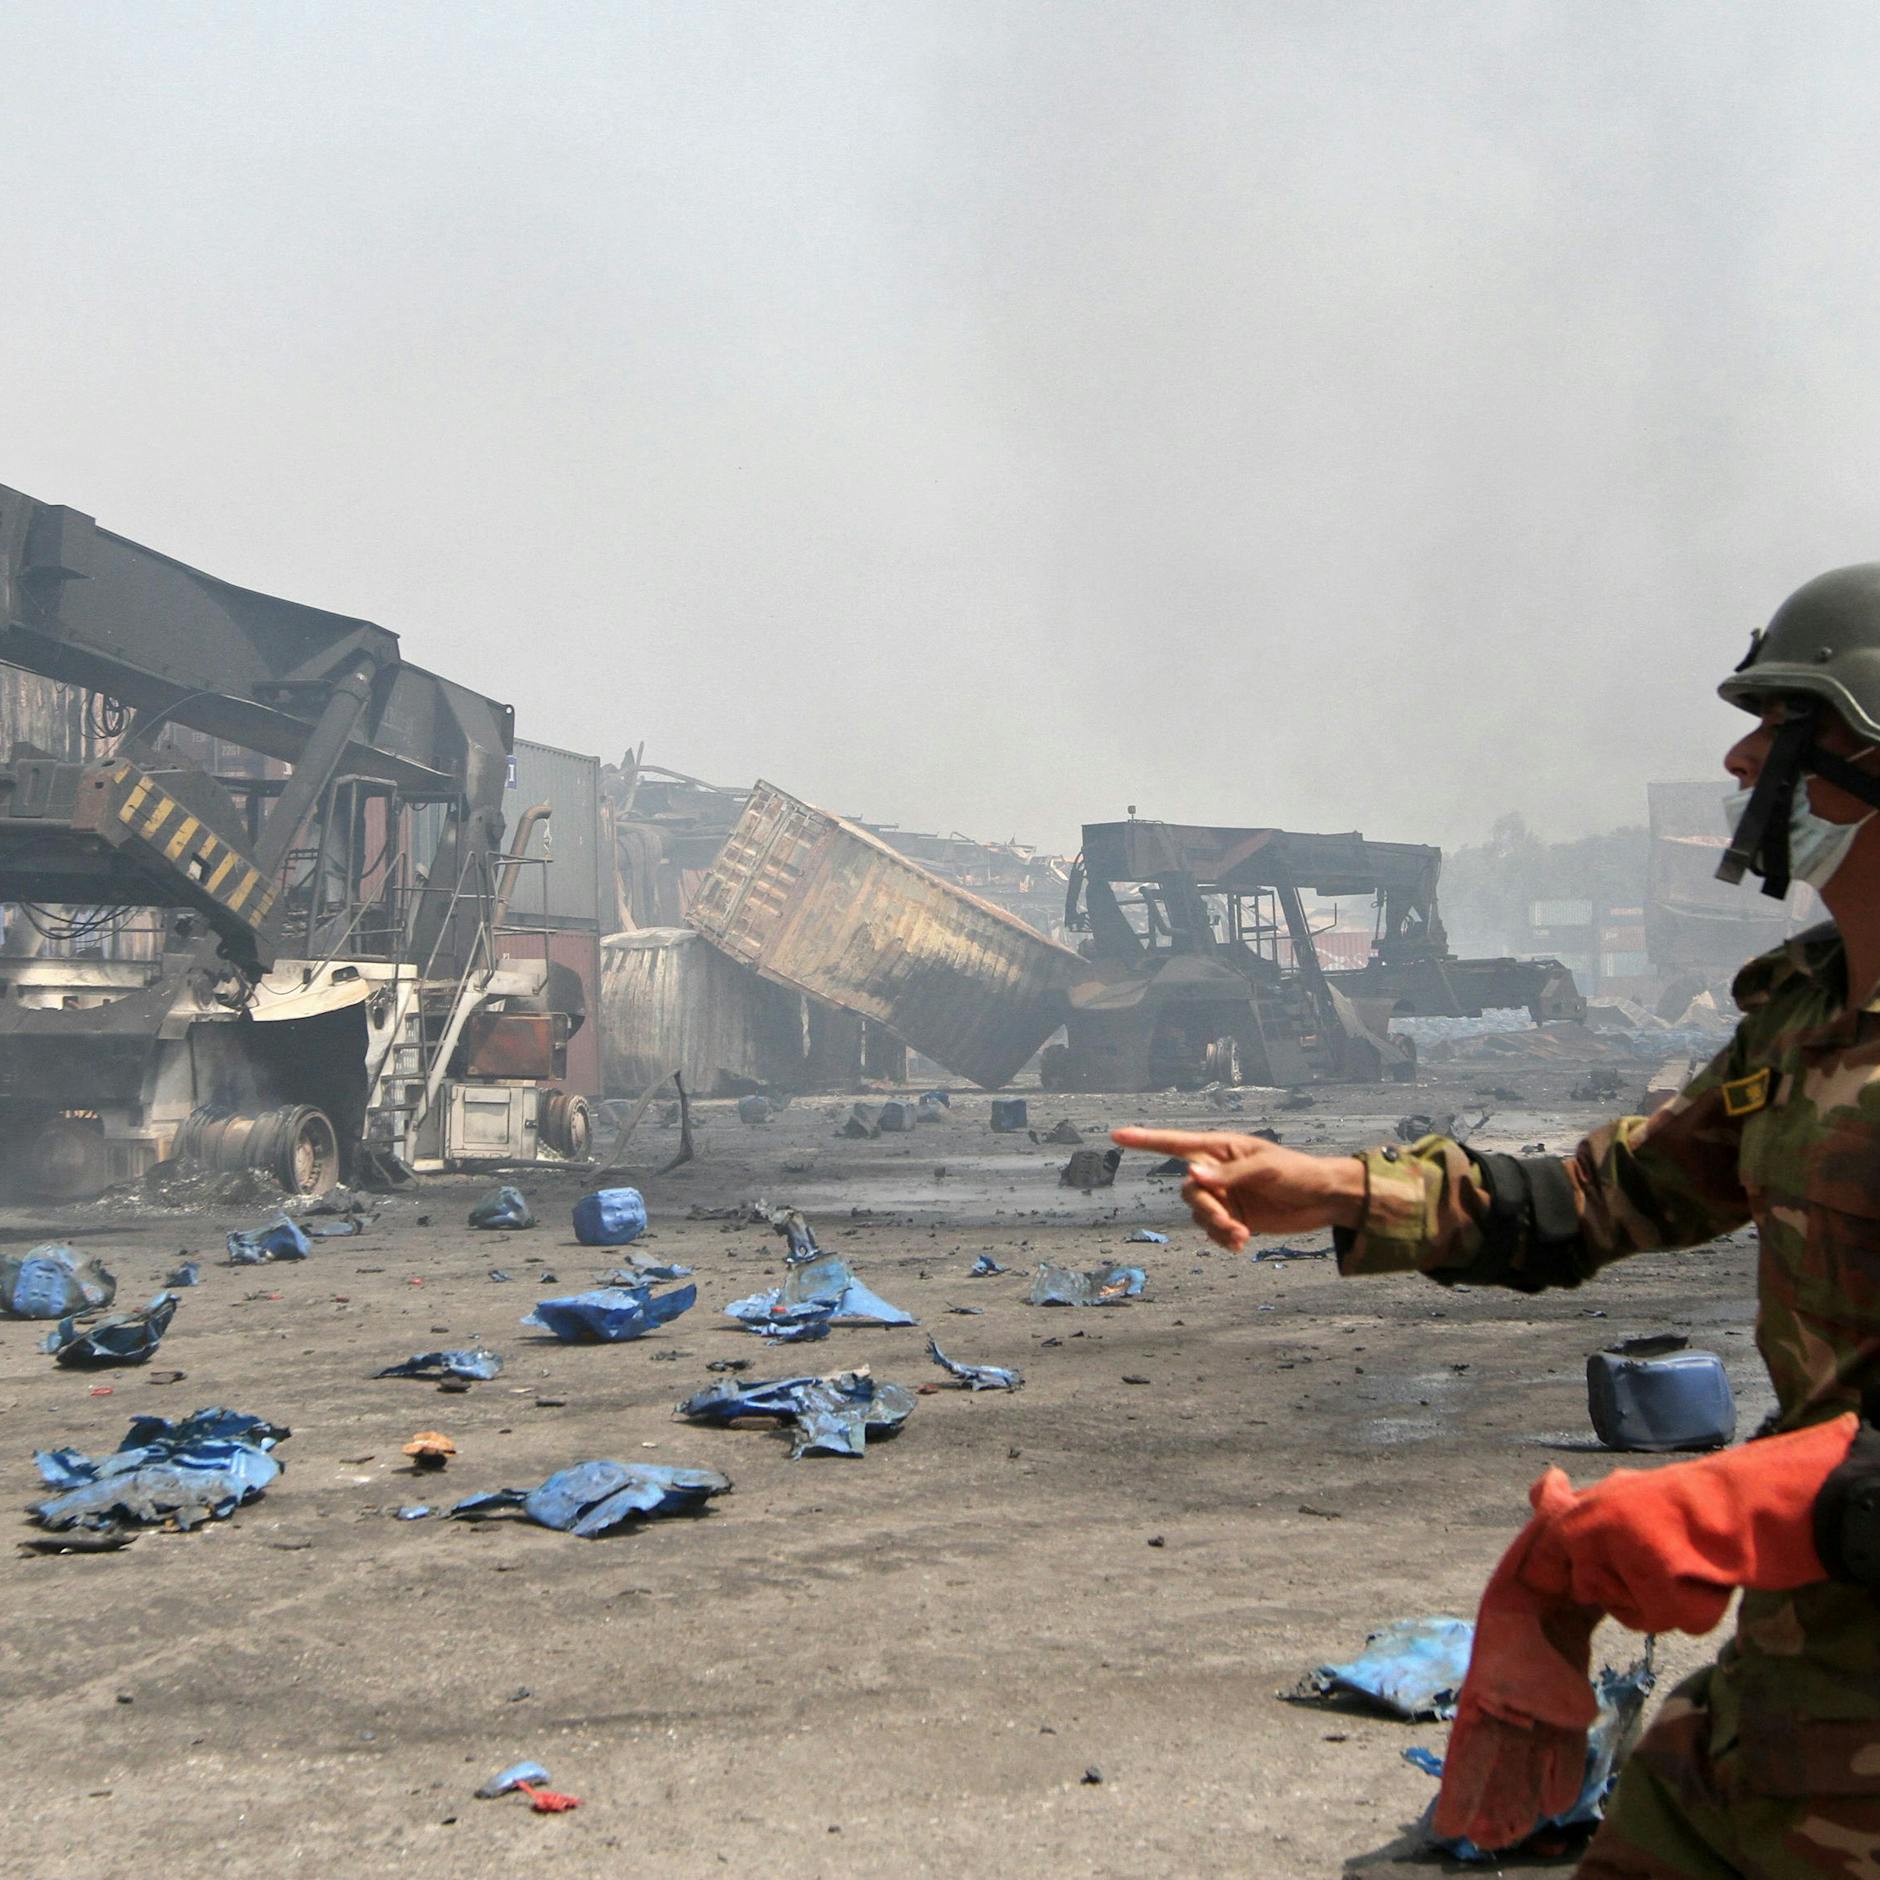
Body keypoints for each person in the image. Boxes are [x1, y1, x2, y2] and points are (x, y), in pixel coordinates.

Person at [1115, 563, 1880, 1877]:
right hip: (1796, 1689)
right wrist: (1345, 1189)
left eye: (1792, 726)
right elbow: (1604, 1194)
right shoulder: (1807, 1017)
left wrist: (1740, 1504)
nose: (1744, 755)